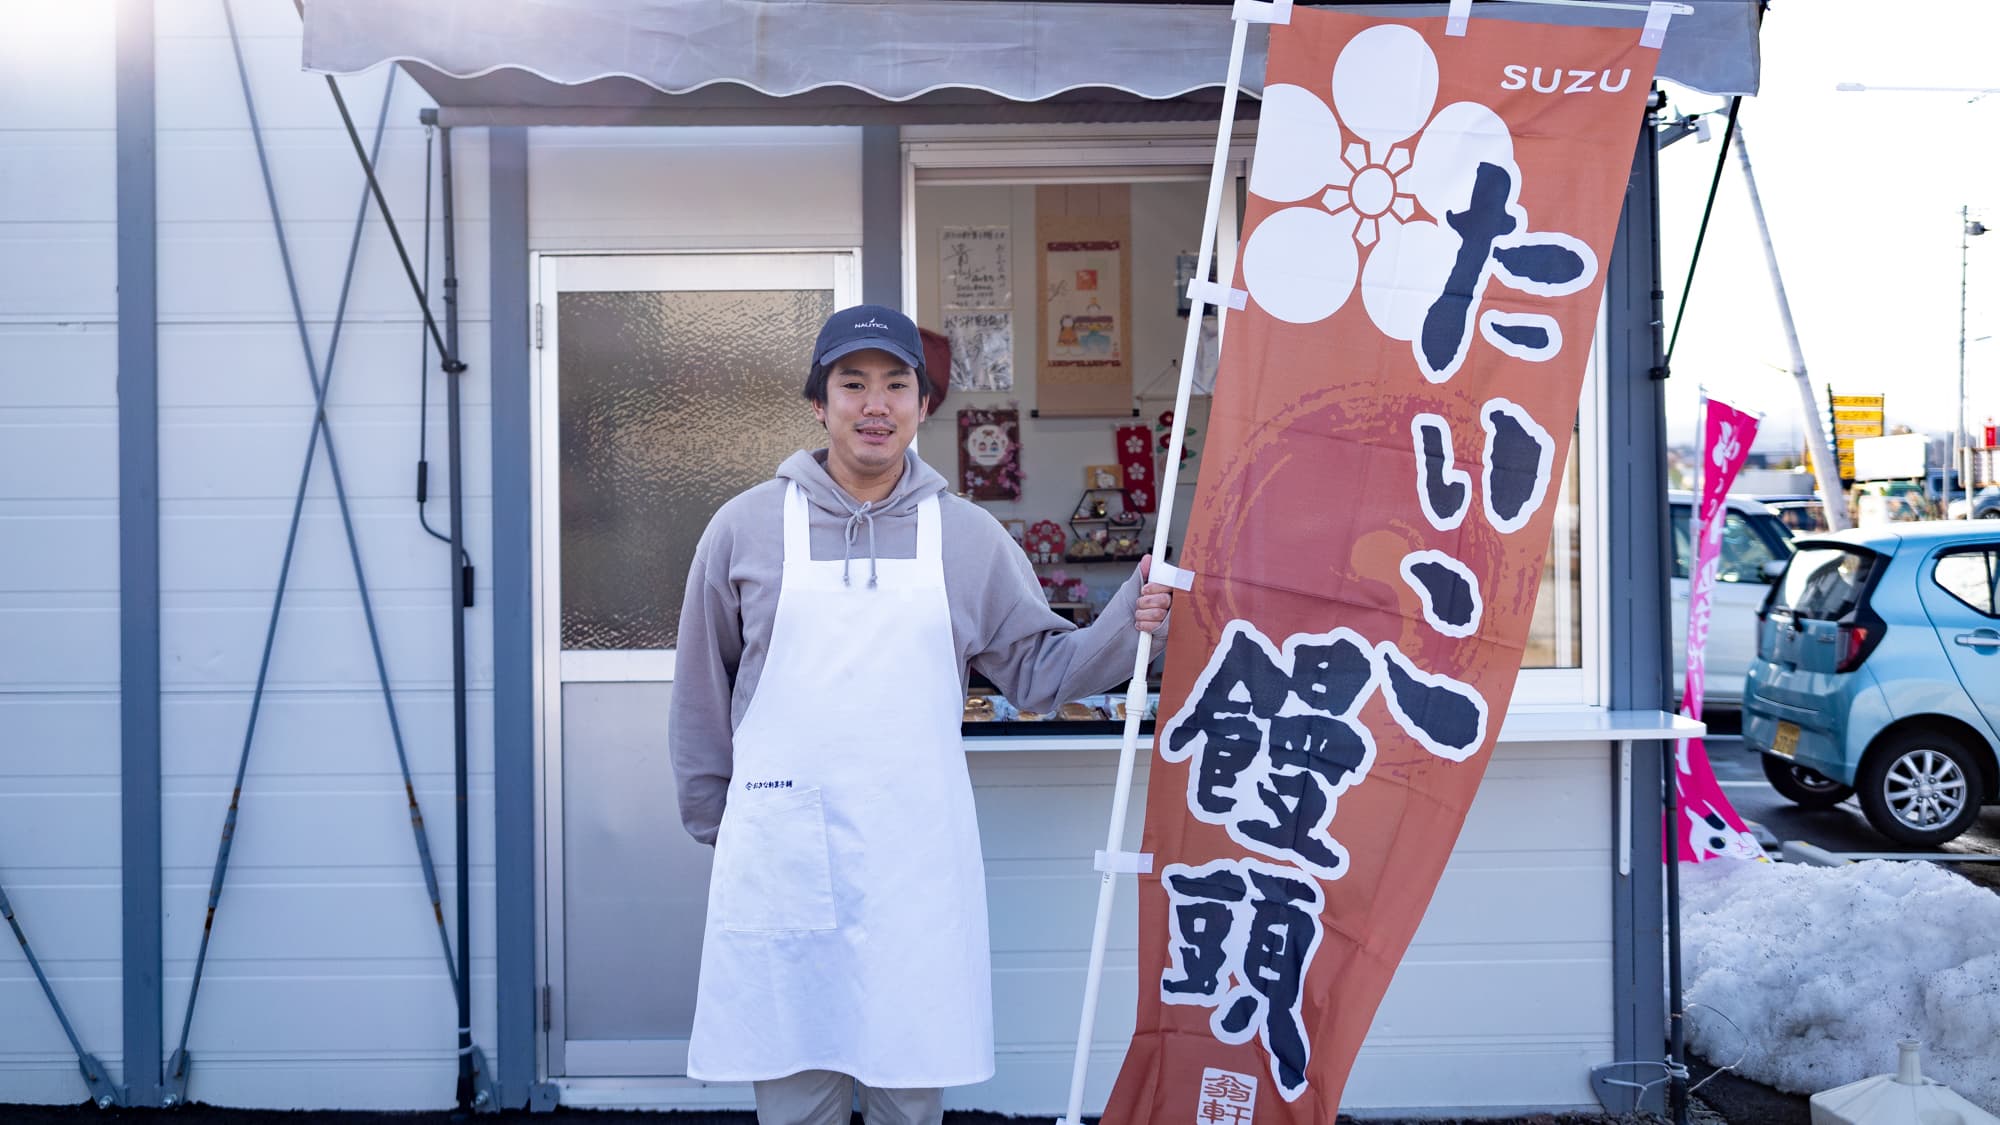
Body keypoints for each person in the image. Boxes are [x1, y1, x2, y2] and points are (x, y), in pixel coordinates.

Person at [670, 304, 1173, 1125]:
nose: (876, 404)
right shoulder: (744, 529)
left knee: (910, 1097)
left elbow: (1041, 671)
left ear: (923, 404)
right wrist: (720, 825)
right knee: (798, 1100)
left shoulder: (966, 536)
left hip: (915, 869)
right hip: (785, 856)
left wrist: (1128, 618)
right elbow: (701, 687)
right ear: (818, 403)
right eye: (852, 383)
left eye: (896, 385)